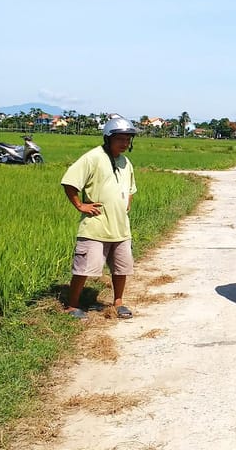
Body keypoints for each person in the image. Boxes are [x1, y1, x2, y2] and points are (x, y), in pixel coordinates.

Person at [60, 116, 139, 320]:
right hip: (95, 226)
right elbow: (70, 182)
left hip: (120, 227)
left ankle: (118, 302)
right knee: (83, 268)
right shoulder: (93, 157)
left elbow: (131, 187)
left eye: (127, 139)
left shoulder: (125, 161)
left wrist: (127, 200)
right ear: (108, 138)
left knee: (121, 268)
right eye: (120, 139)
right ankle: (72, 305)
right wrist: (80, 205)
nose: (124, 143)